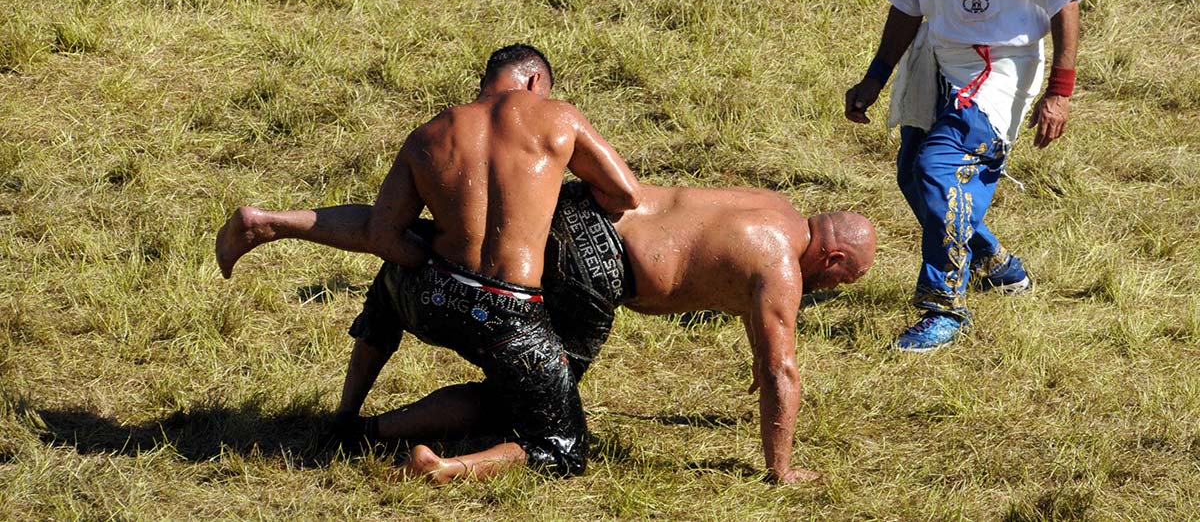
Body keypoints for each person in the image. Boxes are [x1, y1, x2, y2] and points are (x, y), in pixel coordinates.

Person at [217, 182, 877, 484]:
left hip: (578, 203)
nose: (830, 290)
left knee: (422, 245)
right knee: (532, 406)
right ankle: (407, 447)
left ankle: (277, 222)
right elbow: (781, 368)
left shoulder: (775, 206)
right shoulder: (781, 266)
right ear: (836, 260)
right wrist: (781, 468)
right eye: (840, 283)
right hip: (599, 264)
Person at [218, 43, 641, 483]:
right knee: (563, 447)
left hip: (431, 296)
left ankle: (347, 419)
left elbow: (381, 234)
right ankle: (444, 468)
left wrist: (423, 258)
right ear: (536, 81)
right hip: (509, 316)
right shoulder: (556, 115)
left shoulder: (430, 133)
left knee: (396, 271)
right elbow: (625, 193)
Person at [842, 0, 1088, 351]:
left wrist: (1060, 93)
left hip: (997, 61)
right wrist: (875, 77)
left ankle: (945, 309)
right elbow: (908, 4)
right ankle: (996, 264)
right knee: (912, 174)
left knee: (940, 169)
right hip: (939, 53)